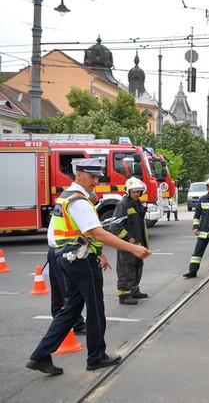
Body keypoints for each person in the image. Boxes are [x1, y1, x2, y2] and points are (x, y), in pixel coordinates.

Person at [27, 157, 151, 376]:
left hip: (66, 258)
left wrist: (99, 252)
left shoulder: (66, 197)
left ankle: (40, 356)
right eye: (92, 177)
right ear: (79, 174)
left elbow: (80, 232)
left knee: (72, 309)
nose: (96, 181)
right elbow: (98, 233)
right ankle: (96, 357)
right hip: (80, 261)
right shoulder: (79, 201)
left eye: (97, 177)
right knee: (95, 309)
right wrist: (132, 248)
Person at [46, 191, 107, 335]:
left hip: (56, 250)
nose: (94, 205)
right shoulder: (79, 206)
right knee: (70, 294)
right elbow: (92, 236)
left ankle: (60, 321)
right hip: (66, 253)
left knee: (60, 291)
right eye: (93, 202)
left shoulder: (66, 204)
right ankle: (73, 324)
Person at [109, 177, 150, 305]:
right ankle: (124, 295)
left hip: (137, 245)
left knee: (137, 268)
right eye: (134, 191)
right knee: (126, 270)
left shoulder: (137, 203)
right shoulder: (123, 204)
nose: (136, 194)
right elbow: (115, 226)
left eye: (138, 191)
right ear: (128, 191)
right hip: (127, 246)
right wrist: (127, 238)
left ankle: (134, 290)